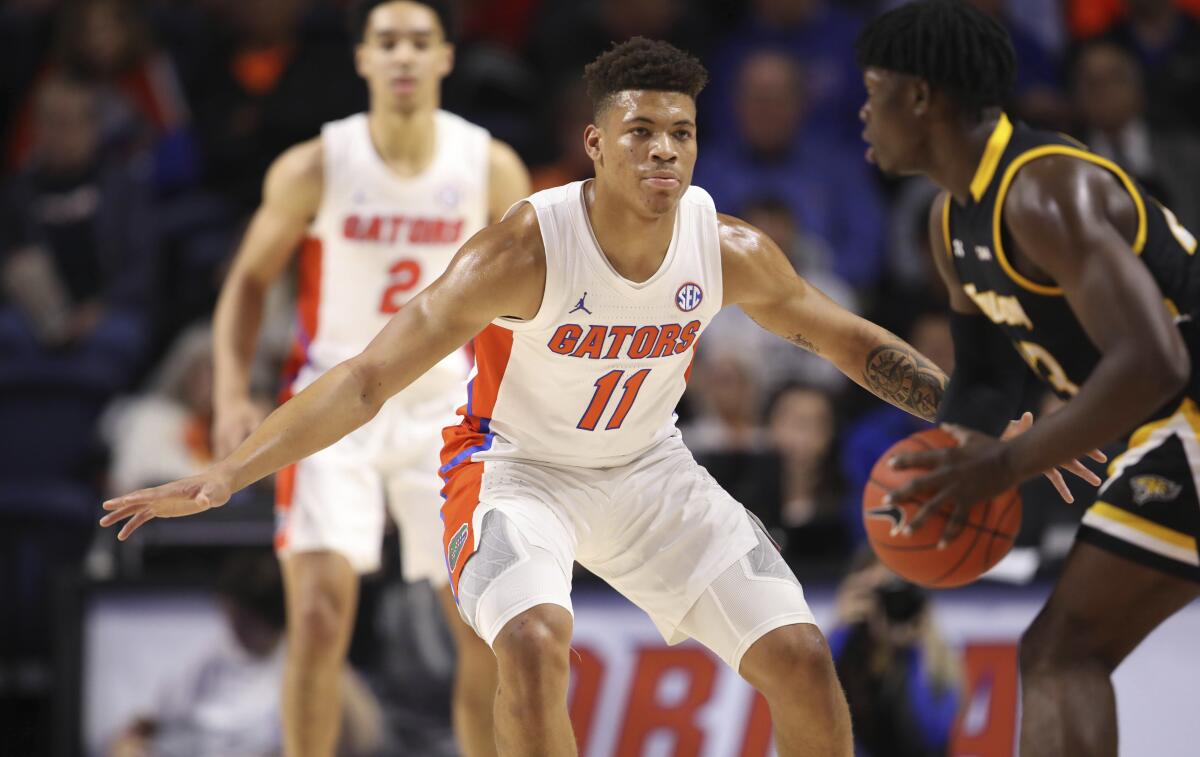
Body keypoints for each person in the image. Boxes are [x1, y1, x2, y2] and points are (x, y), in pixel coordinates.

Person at [102, 37, 963, 756]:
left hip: (647, 468)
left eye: (682, 132)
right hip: (514, 470)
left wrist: (984, 421)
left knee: (804, 656)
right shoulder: (522, 249)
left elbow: (844, 337)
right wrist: (227, 474)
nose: (664, 148)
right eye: (641, 131)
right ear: (594, 142)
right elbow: (366, 378)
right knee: (531, 643)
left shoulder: (727, 246)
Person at [856, 2, 1200, 754]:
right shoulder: (953, 225)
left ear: (918, 97)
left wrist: (1012, 461)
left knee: (1062, 649)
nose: (862, 111)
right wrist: (945, 476)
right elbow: (983, 379)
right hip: (1167, 426)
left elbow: (1155, 361)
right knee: (1059, 650)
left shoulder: (1043, 190)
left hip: (1187, 412)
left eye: (873, 88)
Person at [208, 1, 530, 755]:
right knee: (319, 618)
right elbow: (248, 281)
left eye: (421, 41)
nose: (404, 56)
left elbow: (532, 291)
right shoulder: (315, 164)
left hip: (448, 406)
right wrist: (230, 390)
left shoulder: (489, 164)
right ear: (362, 59)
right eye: (387, 42)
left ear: (448, 56)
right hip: (335, 402)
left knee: (479, 619)